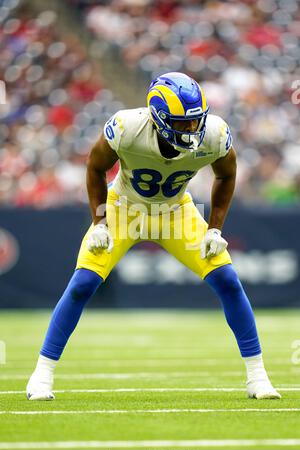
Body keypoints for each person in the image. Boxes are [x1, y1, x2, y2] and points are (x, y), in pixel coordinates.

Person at [26, 72, 281, 400]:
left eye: (196, 122)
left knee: (228, 280)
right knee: (83, 284)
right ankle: (42, 373)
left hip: (175, 212)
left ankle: (257, 376)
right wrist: (100, 221)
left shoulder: (214, 133)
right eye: (183, 123)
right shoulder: (128, 128)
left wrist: (215, 227)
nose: (193, 131)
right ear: (159, 118)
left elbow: (227, 174)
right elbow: (94, 168)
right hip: (124, 209)